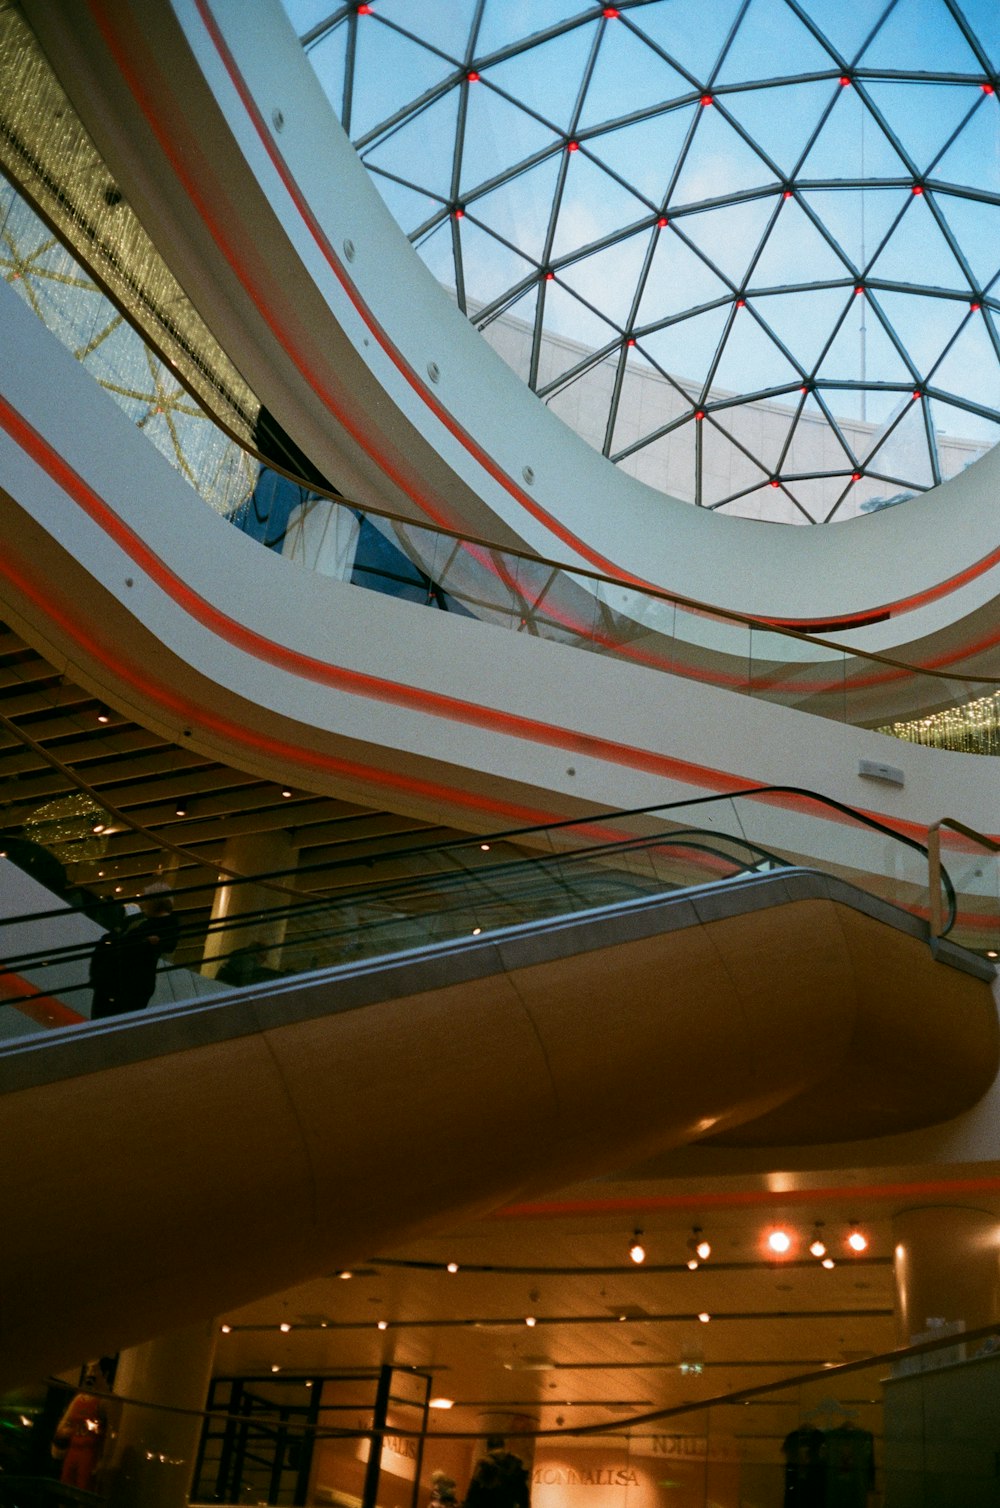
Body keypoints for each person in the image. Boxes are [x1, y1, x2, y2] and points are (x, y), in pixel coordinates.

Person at [90, 881, 180, 1019]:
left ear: (153, 902)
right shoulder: (149, 924)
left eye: (147, 900)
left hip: (123, 984)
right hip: (123, 983)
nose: (144, 904)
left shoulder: (152, 925)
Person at [50, 1361, 112, 1492]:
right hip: (73, 1450)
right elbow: (65, 1422)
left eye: (94, 1371)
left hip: (89, 1452)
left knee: (83, 1488)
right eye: (88, 1371)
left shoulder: (103, 1402)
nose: (90, 1374)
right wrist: (59, 1438)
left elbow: (109, 1435)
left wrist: (103, 1460)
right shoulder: (78, 1400)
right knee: (65, 1487)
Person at [464, 1437, 530, 1508]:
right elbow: (523, 1499)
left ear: (487, 1448)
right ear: (503, 1446)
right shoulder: (513, 1464)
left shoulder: (484, 1464)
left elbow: (472, 1498)